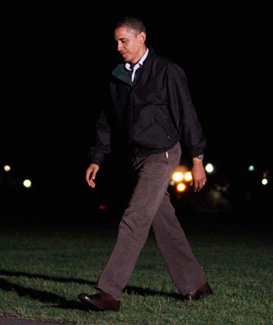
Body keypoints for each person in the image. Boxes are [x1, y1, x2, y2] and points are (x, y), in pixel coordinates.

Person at [78, 17, 213, 312]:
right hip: (135, 158)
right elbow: (107, 121)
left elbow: (186, 114)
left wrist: (198, 158)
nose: (118, 47)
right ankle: (196, 285)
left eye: (123, 41)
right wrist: (97, 158)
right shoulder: (118, 75)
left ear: (141, 37)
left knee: (134, 218)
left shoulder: (167, 71)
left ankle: (109, 292)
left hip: (162, 154)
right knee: (163, 222)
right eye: (115, 41)